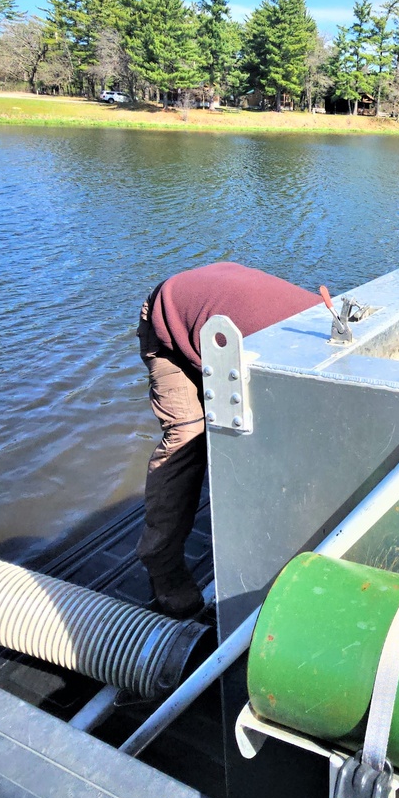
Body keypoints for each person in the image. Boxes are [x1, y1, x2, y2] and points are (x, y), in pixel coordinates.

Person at [137, 261, 319, 618]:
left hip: (216, 306)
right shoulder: (293, 359)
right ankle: (162, 563)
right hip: (170, 319)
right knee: (189, 438)